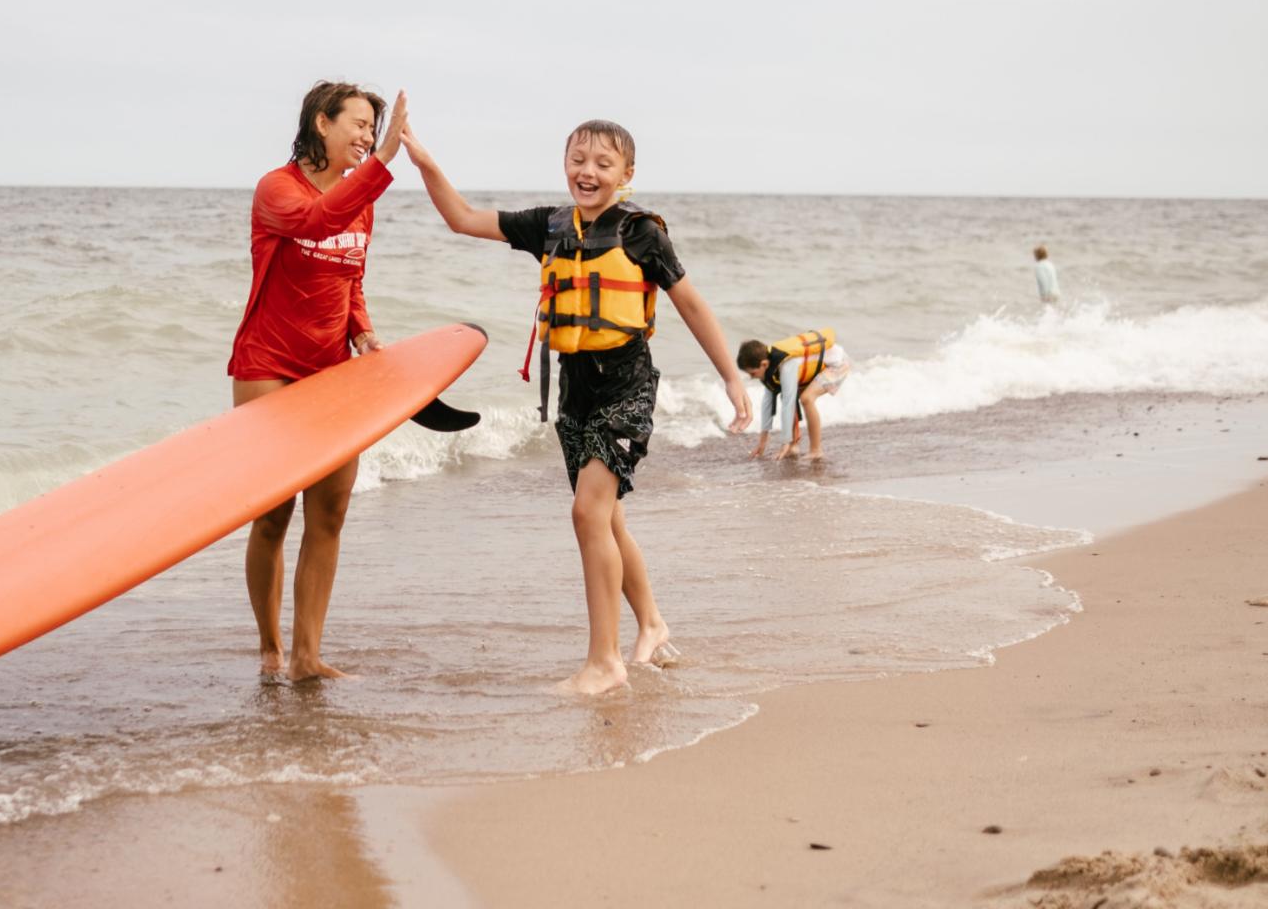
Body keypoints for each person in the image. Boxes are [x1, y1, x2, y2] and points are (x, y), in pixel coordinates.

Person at [399, 118, 752, 695]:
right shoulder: (548, 225)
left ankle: (604, 663)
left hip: (627, 387)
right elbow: (462, 218)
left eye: (603, 164)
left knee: (587, 514)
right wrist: (425, 164)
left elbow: (689, 303)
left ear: (626, 174)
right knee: (606, 519)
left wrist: (731, 377)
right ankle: (653, 625)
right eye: (578, 160)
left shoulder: (641, 233)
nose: (588, 172)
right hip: (575, 392)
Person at [227, 80, 407, 681]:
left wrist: (363, 330)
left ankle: (307, 657)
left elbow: (351, 277)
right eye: (358, 124)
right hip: (269, 365)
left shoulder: (362, 198)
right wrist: (383, 164)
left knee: (328, 514)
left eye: (374, 130)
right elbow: (319, 222)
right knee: (273, 514)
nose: (367, 137)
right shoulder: (277, 190)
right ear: (322, 123)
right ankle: (270, 648)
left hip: (333, 369)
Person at [736, 328, 851, 462]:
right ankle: (793, 446)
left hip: (838, 364)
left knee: (806, 399)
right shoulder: (768, 366)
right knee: (789, 396)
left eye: (753, 373)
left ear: (764, 364)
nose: (751, 377)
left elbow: (788, 403)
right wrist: (762, 442)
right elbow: (767, 403)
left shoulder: (787, 365)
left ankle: (816, 450)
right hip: (820, 366)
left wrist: (784, 442)